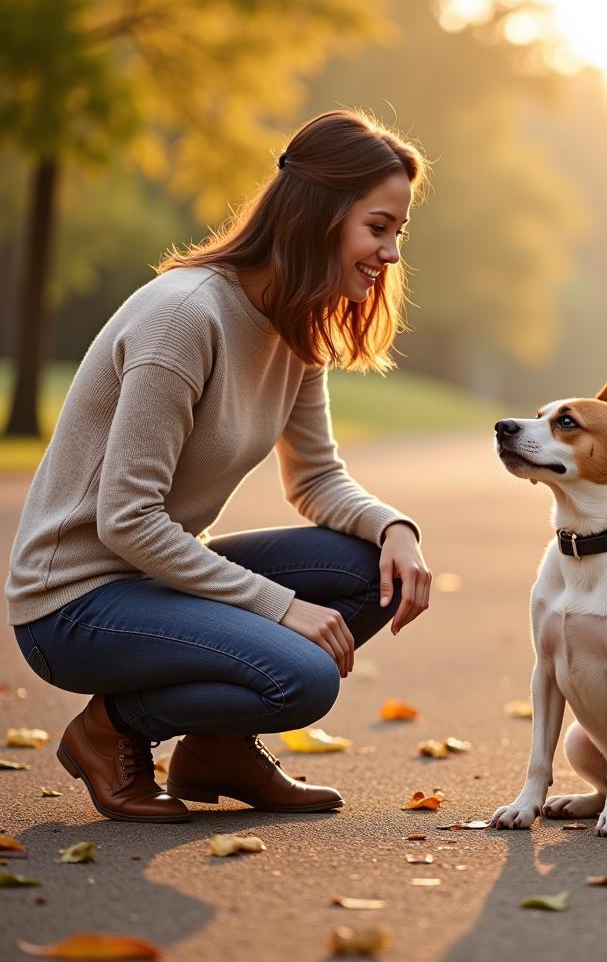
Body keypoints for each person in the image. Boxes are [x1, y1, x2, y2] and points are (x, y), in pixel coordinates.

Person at [5, 110, 432, 823]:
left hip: (154, 583)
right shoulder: (183, 319)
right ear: (319, 215)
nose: (390, 253)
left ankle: (217, 749)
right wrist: (280, 607)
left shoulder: (297, 325)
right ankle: (107, 731)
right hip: (72, 604)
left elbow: (317, 479)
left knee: (371, 573)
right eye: (378, 227)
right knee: (302, 677)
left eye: (398, 234)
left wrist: (396, 530)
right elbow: (127, 520)